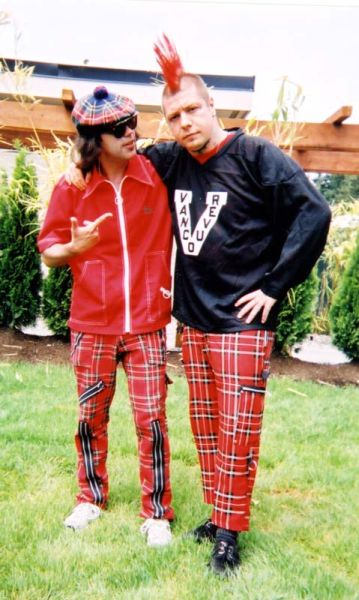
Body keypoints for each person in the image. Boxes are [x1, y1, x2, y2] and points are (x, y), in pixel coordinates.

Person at [69, 37, 331, 574]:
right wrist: (80, 163)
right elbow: (118, 152)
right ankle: (217, 515)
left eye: (191, 109)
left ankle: (229, 536)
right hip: (193, 321)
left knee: (238, 431)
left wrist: (275, 286)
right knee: (207, 428)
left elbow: (314, 214)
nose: (183, 122)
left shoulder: (257, 155)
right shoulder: (172, 160)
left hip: (241, 324)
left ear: (212, 107)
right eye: (172, 116)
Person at [37, 85, 175, 547]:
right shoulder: (71, 186)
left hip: (149, 323)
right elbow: (50, 249)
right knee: (90, 416)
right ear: (95, 139)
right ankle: (90, 496)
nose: (132, 133)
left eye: (133, 121)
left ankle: (157, 510)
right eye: (120, 129)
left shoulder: (156, 173)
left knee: (151, 419)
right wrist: (72, 249)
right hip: (92, 325)